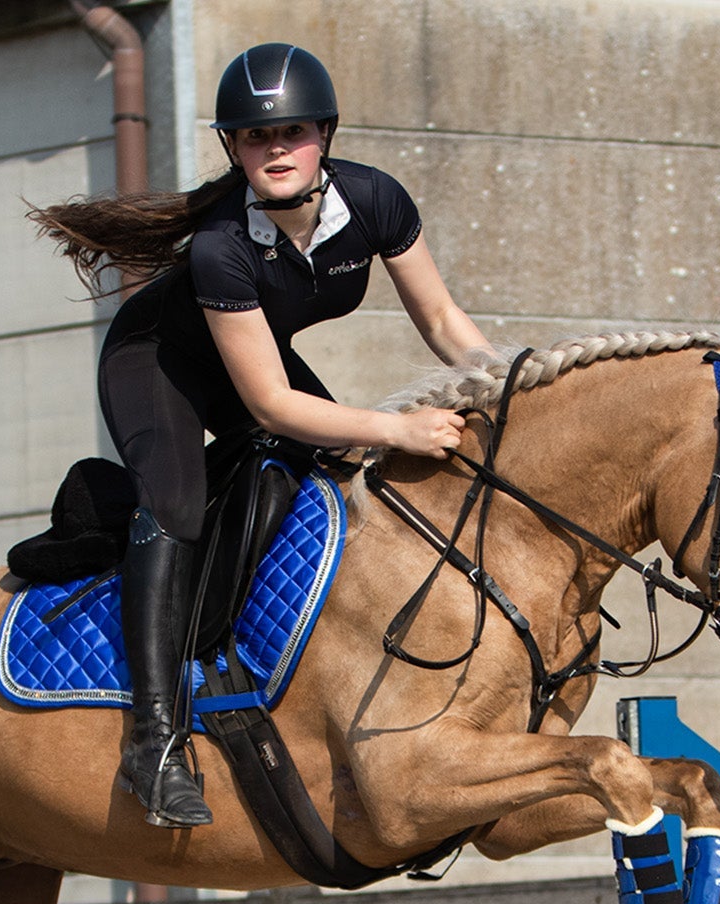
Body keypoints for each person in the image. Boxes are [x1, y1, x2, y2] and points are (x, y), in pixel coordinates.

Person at [32, 42, 491, 829]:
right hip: (159, 363)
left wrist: (506, 381)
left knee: (340, 468)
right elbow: (274, 406)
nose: (275, 150)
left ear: (326, 136)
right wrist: (395, 425)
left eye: (293, 134)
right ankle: (153, 737)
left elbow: (445, 321)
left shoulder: (377, 201)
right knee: (177, 502)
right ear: (234, 148)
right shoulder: (221, 246)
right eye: (254, 138)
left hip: (247, 358)